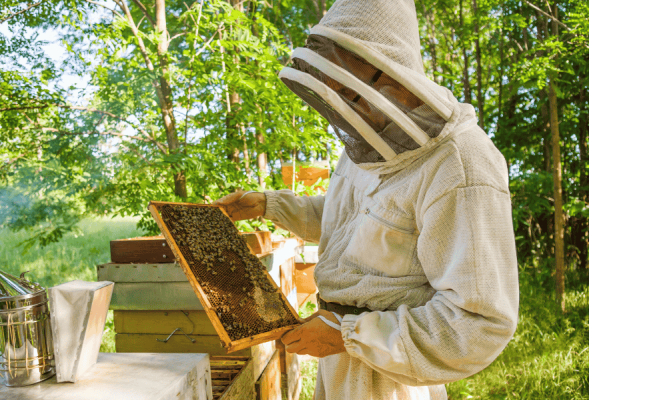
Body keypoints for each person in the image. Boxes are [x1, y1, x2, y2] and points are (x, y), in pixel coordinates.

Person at [213, 0, 519, 398]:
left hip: (390, 375)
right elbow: (352, 223)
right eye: (334, 90)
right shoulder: (369, 142)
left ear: (393, 75)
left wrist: (348, 337)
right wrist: (268, 205)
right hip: (342, 359)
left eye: (351, 91)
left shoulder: (460, 166)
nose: (343, 107)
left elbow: (479, 321)